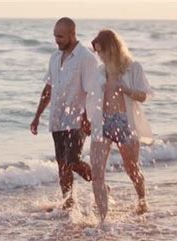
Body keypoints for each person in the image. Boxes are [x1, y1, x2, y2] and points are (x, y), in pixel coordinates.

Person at [30, 17, 98, 210]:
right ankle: (68, 202)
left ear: (72, 34)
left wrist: (87, 118)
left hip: (77, 120)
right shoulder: (54, 57)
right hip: (57, 119)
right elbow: (48, 89)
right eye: (55, 36)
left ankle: (100, 185)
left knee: (73, 160)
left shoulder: (86, 58)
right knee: (62, 166)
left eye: (60, 36)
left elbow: (93, 91)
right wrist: (37, 116)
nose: (57, 40)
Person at [87, 29, 154, 223]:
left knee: (131, 168)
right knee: (97, 173)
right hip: (103, 124)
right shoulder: (100, 71)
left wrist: (128, 90)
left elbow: (145, 95)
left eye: (102, 52)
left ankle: (142, 200)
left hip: (125, 123)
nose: (100, 56)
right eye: (97, 53)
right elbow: (91, 98)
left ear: (112, 48)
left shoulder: (133, 68)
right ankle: (103, 219)